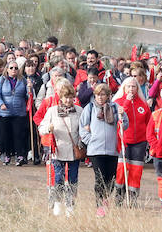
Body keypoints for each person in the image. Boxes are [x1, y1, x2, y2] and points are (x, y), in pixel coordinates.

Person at [38, 82, 83, 216]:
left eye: (71, 97)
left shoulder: (79, 111)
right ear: (60, 98)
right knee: (58, 178)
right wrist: (48, 128)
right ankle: (57, 204)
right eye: (66, 97)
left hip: (74, 150)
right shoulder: (52, 111)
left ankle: (70, 206)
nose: (68, 100)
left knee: (73, 179)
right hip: (58, 150)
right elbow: (41, 128)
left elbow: (83, 128)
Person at [80, 81, 121, 217]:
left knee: (111, 178)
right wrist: (90, 140)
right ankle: (99, 205)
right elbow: (83, 126)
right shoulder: (90, 108)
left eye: (103, 95)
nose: (100, 97)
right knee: (100, 178)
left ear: (108, 96)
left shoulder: (115, 107)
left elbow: (124, 126)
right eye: (98, 95)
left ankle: (106, 200)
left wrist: (123, 116)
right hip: (95, 150)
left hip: (112, 150)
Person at [112, 76, 151, 206]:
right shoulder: (117, 101)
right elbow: (121, 116)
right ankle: (118, 197)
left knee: (136, 171)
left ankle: (133, 198)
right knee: (121, 170)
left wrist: (148, 139)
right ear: (124, 87)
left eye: (134, 86)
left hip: (140, 142)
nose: (131, 89)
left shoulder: (143, 103)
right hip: (123, 141)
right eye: (128, 86)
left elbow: (149, 122)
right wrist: (127, 102)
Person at [0, 61, 30, 166]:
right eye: (11, 68)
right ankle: (7, 155)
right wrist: (1, 104)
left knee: (18, 134)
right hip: (5, 111)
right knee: (5, 134)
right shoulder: (1, 80)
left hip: (19, 111)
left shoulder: (23, 80)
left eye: (16, 68)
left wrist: (30, 89)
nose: (14, 70)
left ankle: (20, 155)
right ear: (7, 69)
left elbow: (28, 95)